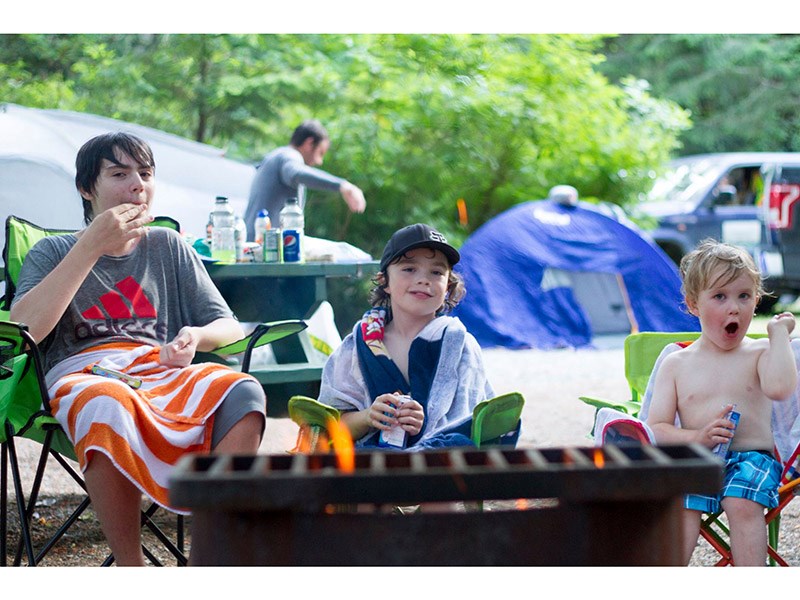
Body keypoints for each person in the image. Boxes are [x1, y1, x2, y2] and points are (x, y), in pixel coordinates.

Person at [10, 132, 266, 566]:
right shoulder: (52, 250)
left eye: (145, 174)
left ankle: (207, 560)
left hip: (158, 368)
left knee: (242, 391)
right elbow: (24, 329)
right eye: (120, 174)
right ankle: (133, 571)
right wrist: (89, 247)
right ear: (86, 188)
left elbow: (225, 324)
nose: (137, 185)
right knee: (108, 402)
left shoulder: (167, 246)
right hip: (85, 376)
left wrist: (194, 338)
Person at [645, 239, 797, 566]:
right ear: (692, 304)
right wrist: (695, 437)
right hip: (699, 458)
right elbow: (655, 429)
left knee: (740, 501)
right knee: (683, 502)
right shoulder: (676, 363)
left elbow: (782, 388)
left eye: (744, 296)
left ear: (756, 301)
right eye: (719, 296)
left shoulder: (759, 353)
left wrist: (780, 335)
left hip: (753, 459)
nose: (734, 308)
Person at [317, 223, 495, 450]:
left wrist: (429, 423)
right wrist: (369, 416)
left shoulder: (460, 345)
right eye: (409, 269)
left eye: (437, 272)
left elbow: (472, 422)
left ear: (448, 286)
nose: (424, 279)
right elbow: (330, 427)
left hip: (437, 467)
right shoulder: (358, 345)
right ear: (385, 281)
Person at [243, 119, 366, 241]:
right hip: (264, 249)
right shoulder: (289, 156)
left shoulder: (275, 157)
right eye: (320, 153)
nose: (320, 161)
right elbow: (296, 173)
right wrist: (343, 186)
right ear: (309, 143)